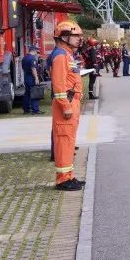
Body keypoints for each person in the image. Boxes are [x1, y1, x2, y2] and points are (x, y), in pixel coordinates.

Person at [51, 21, 85, 191]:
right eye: (76, 36)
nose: (79, 39)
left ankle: (69, 176)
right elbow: (58, 85)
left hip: (73, 102)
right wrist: (65, 106)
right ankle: (62, 180)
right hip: (66, 104)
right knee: (64, 141)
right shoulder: (60, 56)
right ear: (64, 37)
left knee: (69, 142)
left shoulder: (67, 54)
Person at [22, 45, 42, 114]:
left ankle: (26, 109)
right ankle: (35, 110)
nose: (37, 52)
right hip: (31, 77)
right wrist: (36, 78)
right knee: (35, 93)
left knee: (27, 93)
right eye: (37, 50)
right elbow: (33, 69)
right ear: (33, 50)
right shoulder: (32, 58)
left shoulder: (25, 58)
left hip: (26, 77)